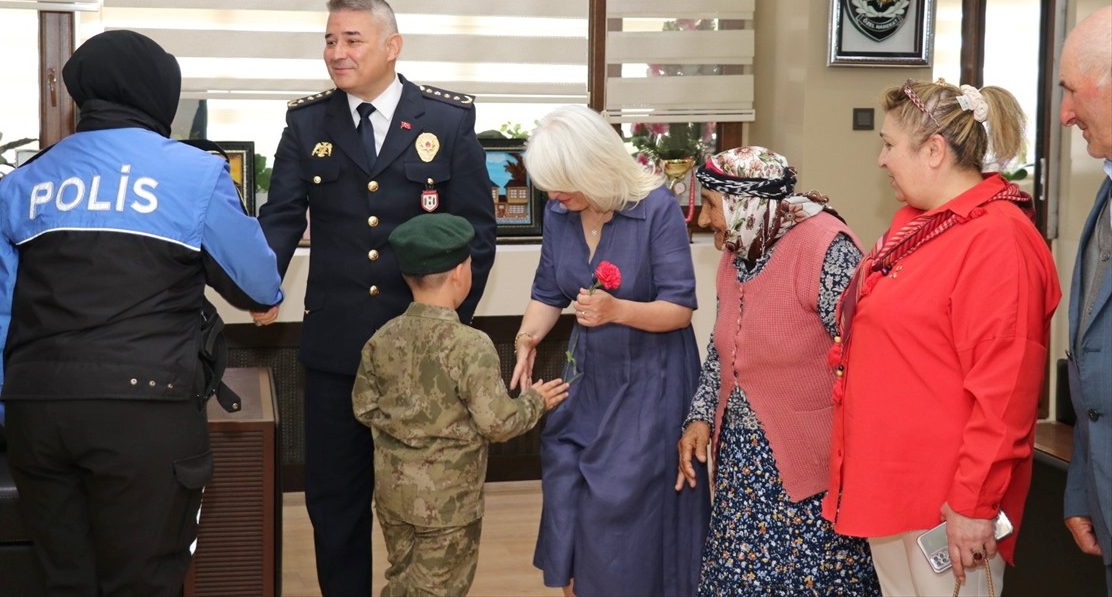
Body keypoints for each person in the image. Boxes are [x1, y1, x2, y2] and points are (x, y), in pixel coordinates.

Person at [0, 29, 284, 596]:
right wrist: (265, 302)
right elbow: (259, 282)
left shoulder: (24, 184)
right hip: (143, 415)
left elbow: (1, 317)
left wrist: (12, 410)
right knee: (144, 583)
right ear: (159, 96)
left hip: (35, 413)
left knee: (63, 582)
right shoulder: (193, 174)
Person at [252, 0, 497, 596]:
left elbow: (477, 232)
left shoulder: (446, 121)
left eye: (352, 39)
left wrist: (447, 326)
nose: (337, 52)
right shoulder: (307, 123)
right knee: (335, 502)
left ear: (392, 46)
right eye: (330, 40)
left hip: (422, 354)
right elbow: (280, 216)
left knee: (423, 506)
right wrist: (260, 284)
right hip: (336, 348)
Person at [823, 78, 1061, 597]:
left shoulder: (997, 238)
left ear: (934, 150)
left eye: (888, 145)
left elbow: (1006, 391)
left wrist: (974, 504)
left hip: (947, 505)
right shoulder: (919, 227)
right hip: (890, 487)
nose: (881, 160)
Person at [509, 104, 710, 597]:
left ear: (595, 167)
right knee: (568, 486)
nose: (552, 196)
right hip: (591, 376)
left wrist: (618, 310)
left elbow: (679, 308)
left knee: (617, 508)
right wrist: (525, 340)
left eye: (562, 184)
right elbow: (547, 293)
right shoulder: (561, 213)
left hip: (651, 380)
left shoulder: (655, 208)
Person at [675, 146, 880, 596]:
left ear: (745, 202)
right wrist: (702, 416)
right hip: (742, 472)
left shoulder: (824, 248)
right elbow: (721, 344)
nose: (705, 220)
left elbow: (868, 357)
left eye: (712, 206)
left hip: (808, 480)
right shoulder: (740, 247)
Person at [353, 212, 569, 596]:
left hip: (393, 495)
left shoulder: (381, 338)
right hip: (448, 503)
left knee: (401, 580)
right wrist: (535, 401)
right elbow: (498, 423)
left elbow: (364, 407)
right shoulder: (471, 344)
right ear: (459, 273)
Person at [1058, 5, 1112, 596]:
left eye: (1073, 90)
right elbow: (1091, 359)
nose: (1066, 112)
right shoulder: (1105, 191)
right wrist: (1081, 487)